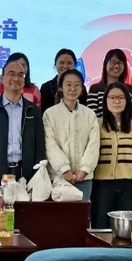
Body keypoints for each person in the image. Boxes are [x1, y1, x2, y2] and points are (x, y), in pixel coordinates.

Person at [0, 60, 45, 184]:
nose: (16, 78)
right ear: (2, 78)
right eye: (11, 74)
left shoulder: (33, 110)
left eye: (20, 75)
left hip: (26, 174)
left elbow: (39, 144)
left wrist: (38, 174)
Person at [91, 82, 132, 229]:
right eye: (112, 98)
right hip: (102, 184)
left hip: (128, 184)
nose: (117, 101)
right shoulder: (96, 124)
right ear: (105, 101)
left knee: (126, 227)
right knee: (100, 224)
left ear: (127, 100)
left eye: (121, 98)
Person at [42, 69, 100, 201]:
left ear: (82, 87)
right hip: (58, 177)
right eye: (68, 84)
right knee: (59, 214)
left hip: (84, 178)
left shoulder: (90, 114)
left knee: (82, 213)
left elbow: (93, 145)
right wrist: (64, 169)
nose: (73, 89)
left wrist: (84, 169)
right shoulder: (50, 114)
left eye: (77, 85)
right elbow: (50, 144)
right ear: (61, 88)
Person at [86, 49, 132, 117]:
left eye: (120, 63)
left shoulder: (130, 90)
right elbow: (91, 116)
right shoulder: (95, 89)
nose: (116, 66)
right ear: (106, 64)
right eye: (113, 62)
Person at [40, 48, 76, 114]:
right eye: (62, 63)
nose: (65, 66)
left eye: (69, 63)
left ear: (74, 65)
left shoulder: (81, 88)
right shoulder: (46, 87)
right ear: (55, 64)